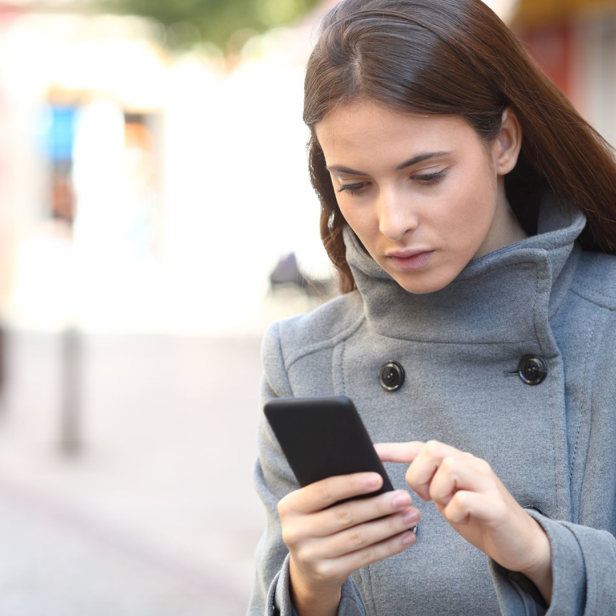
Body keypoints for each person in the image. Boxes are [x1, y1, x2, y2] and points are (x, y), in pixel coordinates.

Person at [248, 0, 616, 614]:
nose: (393, 222)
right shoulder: (304, 360)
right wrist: (307, 589)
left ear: (503, 141)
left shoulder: (606, 323)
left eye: (427, 175)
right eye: (355, 186)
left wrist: (539, 550)